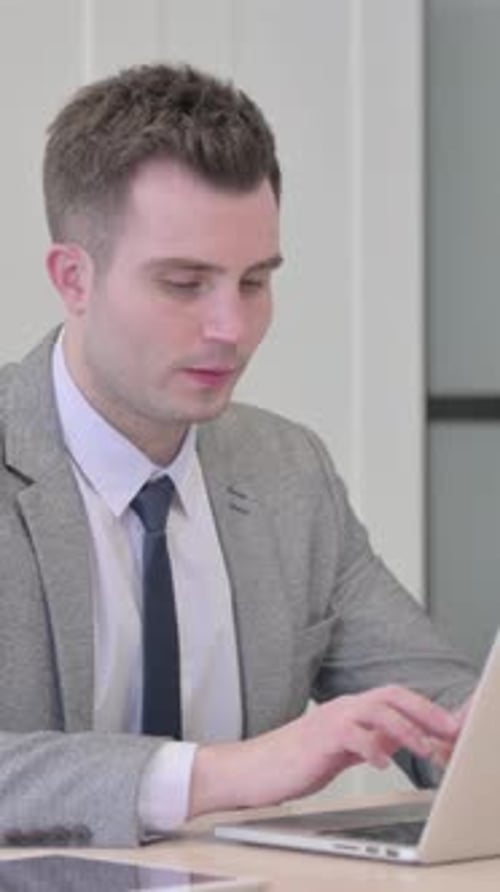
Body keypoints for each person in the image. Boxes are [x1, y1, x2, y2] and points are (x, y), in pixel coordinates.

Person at [0, 62, 476, 848]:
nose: (233, 326)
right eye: (185, 284)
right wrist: (219, 774)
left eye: (254, 280)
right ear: (73, 278)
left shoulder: (288, 473)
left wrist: (471, 743)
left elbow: (438, 708)